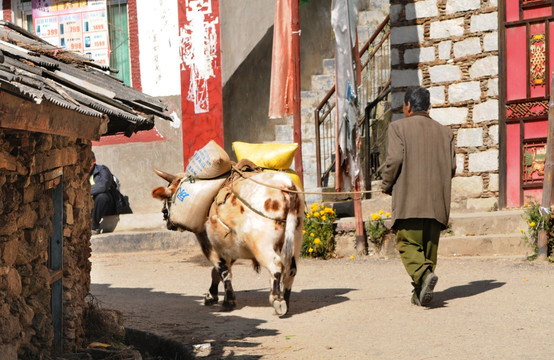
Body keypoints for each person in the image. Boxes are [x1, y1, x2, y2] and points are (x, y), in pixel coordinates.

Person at [380, 87, 456, 306]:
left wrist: (386, 184)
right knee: (428, 250)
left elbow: (394, 160)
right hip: (437, 204)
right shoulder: (445, 132)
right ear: (428, 107)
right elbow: (451, 167)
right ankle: (420, 293)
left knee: (407, 244)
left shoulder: (398, 128)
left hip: (409, 202)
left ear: (409, 106)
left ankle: (424, 277)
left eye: (404, 106)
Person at [89, 152, 117, 234]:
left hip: (105, 204)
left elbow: (103, 186)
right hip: (89, 203)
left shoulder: (103, 170)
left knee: (102, 197)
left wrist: (85, 192)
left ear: (94, 161)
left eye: (89, 163)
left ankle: (94, 226)